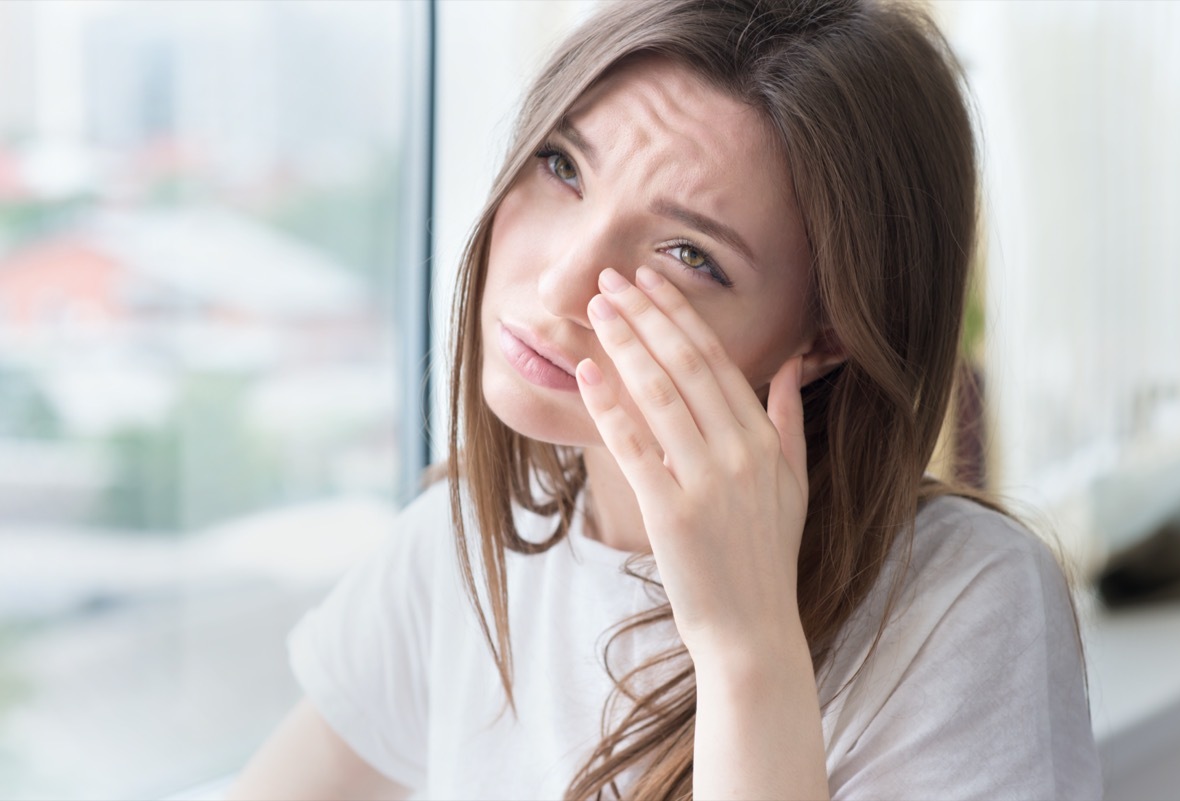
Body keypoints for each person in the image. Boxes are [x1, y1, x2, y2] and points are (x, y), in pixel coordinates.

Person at [229, 0, 1102, 798]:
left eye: (689, 255)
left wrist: (746, 651)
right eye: (562, 165)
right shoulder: (463, 551)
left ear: (825, 337)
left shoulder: (964, 602)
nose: (562, 282)